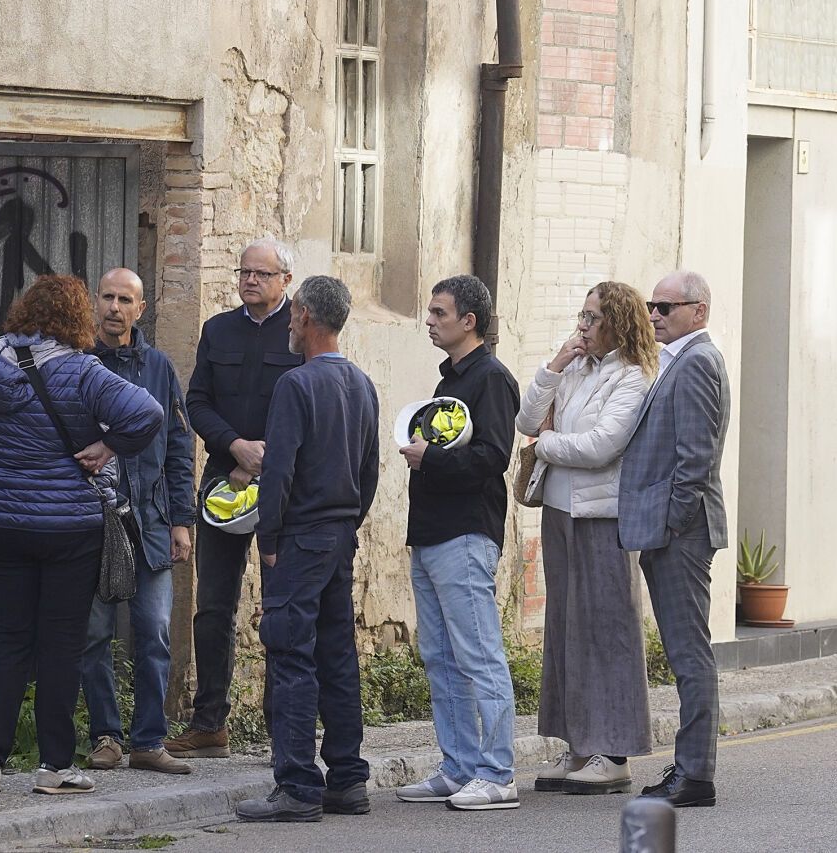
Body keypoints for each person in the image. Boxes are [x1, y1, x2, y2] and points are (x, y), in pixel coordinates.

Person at [0, 274, 165, 796]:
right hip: (68, 527)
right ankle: (54, 766)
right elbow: (148, 413)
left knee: (7, 638)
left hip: (0, 522)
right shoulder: (82, 371)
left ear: (23, 311)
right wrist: (110, 446)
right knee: (61, 643)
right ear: (77, 318)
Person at [233, 275, 380, 823]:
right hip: (339, 536)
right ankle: (347, 780)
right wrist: (347, 523)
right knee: (337, 655)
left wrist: (269, 538)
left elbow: (279, 471)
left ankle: (297, 786)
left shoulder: (296, 385)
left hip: (300, 537)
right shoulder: (362, 384)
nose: (289, 324)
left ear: (306, 317)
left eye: (293, 314)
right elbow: (370, 470)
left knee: (291, 654)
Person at [516, 281, 656, 796]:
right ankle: (578, 744)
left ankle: (613, 753)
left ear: (618, 322)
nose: (583, 325)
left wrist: (546, 444)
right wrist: (554, 365)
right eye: (582, 315)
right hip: (559, 512)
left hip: (602, 517)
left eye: (593, 318)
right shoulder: (575, 367)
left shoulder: (633, 376)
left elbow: (601, 446)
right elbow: (525, 419)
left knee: (606, 630)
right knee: (565, 629)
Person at [392, 275, 524, 813]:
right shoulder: (450, 378)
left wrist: (430, 458)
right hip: (431, 532)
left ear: (469, 321)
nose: (429, 321)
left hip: (466, 533)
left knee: (478, 656)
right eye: (429, 312)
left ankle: (497, 774)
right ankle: (459, 767)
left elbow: (493, 456)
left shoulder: (491, 378)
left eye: (439, 313)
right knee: (440, 657)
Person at [168, 238, 303, 759]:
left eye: (261, 274)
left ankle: (280, 727)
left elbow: (310, 403)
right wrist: (235, 446)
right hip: (224, 482)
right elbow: (196, 402)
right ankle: (209, 724)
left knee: (280, 605)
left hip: (283, 486)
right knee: (213, 606)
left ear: (285, 281)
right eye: (244, 272)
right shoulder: (218, 330)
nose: (250, 280)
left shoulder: (301, 332)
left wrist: (267, 456)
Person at [618, 270, 731, 809]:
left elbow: (696, 460)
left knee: (690, 654)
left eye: (666, 307)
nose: (654, 315)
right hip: (671, 529)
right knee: (685, 652)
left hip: (682, 532)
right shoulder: (677, 360)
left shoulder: (698, 362)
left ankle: (695, 775)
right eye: (651, 305)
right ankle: (690, 768)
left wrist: (671, 525)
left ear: (698, 311)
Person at [79, 267, 198, 776]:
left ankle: (149, 740)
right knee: (93, 635)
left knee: (154, 632)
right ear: (95, 302)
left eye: (125, 300)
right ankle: (106, 736)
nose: (114, 307)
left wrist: (181, 521)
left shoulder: (158, 367)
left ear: (140, 309)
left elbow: (179, 447)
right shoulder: (79, 363)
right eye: (107, 297)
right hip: (94, 521)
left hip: (150, 521)